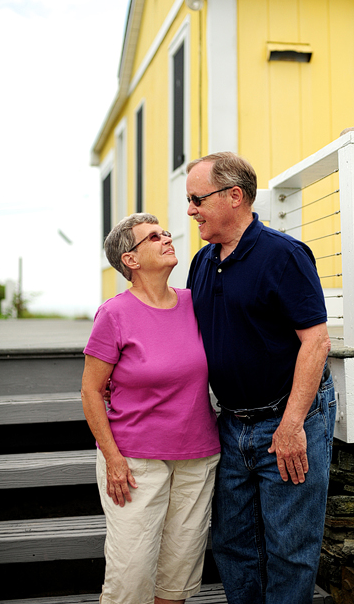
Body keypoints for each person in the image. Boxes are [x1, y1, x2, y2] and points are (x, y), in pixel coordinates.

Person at [185, 152, 334, 604]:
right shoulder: (201, 262)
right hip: (231, 424)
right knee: (232, 545)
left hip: (287, 419)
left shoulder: (284, 255)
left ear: (234, 196)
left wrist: (292, 426)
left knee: (290, 548)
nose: (190, 209)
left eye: (196, 199)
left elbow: (316, 342)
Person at [81, 214, 221, 603]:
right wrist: (113, 458)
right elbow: (91, 392)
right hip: (134, 461)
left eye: (165, 232)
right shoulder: (114, 314)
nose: (167, 238)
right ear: (131, 259)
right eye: (153, 237)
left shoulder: (196, 303)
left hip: (197, 456)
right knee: (131, 576)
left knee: (177, 576)